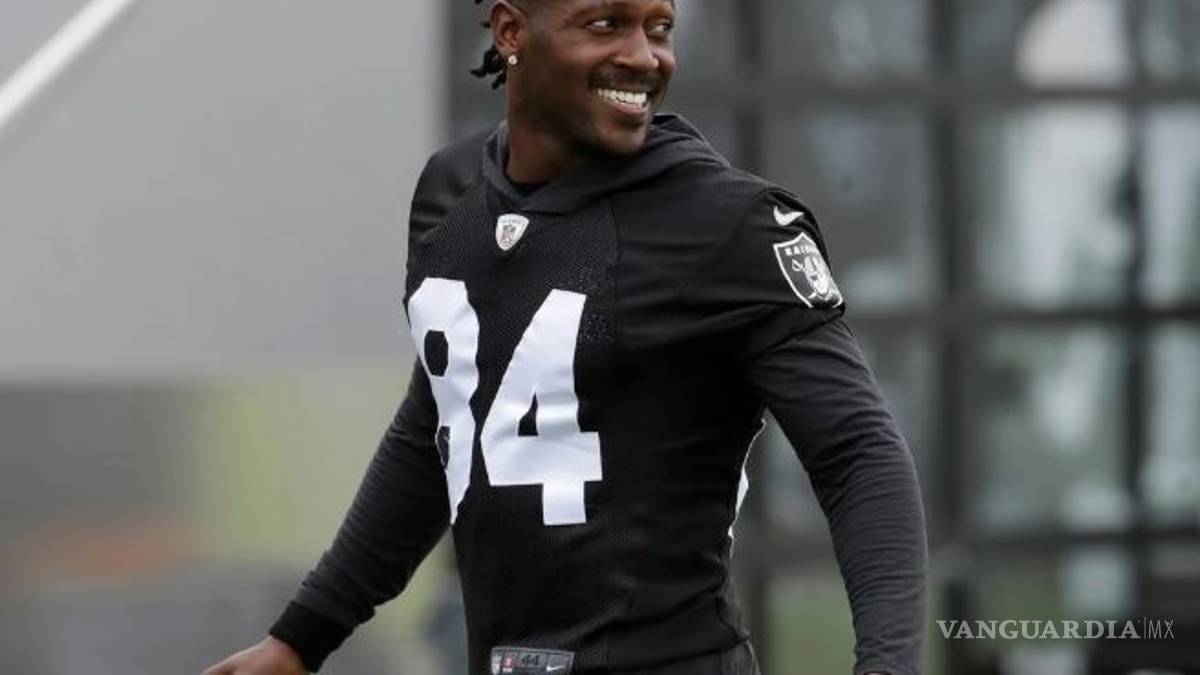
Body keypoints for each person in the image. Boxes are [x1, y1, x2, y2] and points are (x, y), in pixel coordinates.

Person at [203, 1, 927, 674]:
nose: (644, 56)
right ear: (511, 32)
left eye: (659, 28)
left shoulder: (728, 224)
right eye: (606, 23)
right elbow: (443, 423)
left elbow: (857, 455)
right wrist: (303, 637)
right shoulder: (450, 193)